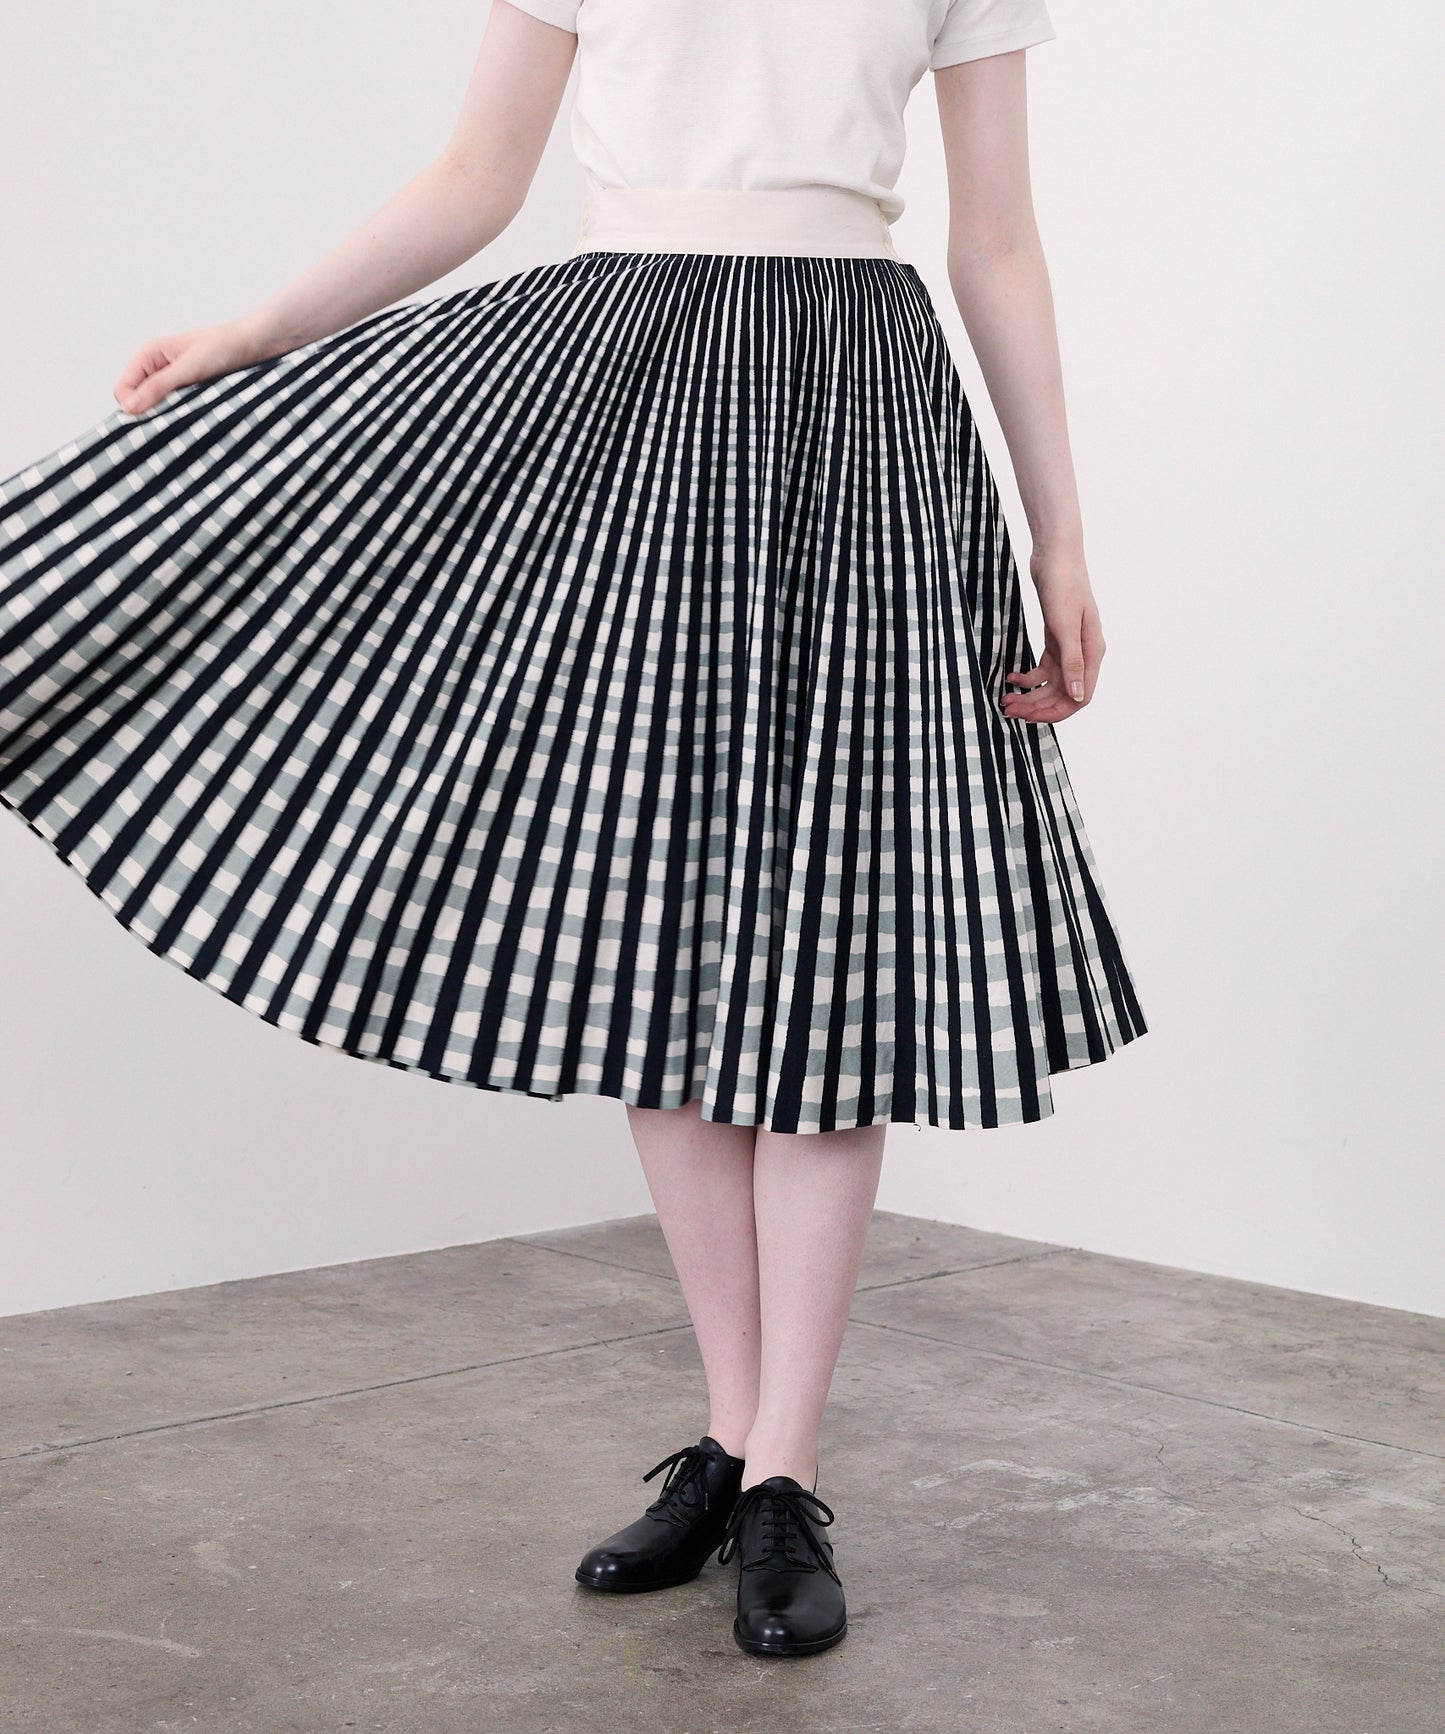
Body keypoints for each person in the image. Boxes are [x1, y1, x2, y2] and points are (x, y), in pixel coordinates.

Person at [0, 0, 1147, 1660]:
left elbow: (999, 241)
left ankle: (785, 1472)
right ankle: (731, 1439)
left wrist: (1061, 539)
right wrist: (255, 331)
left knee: (829, 950)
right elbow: (476, 176)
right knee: (657, 937)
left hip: (857, 419)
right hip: (622, 404)